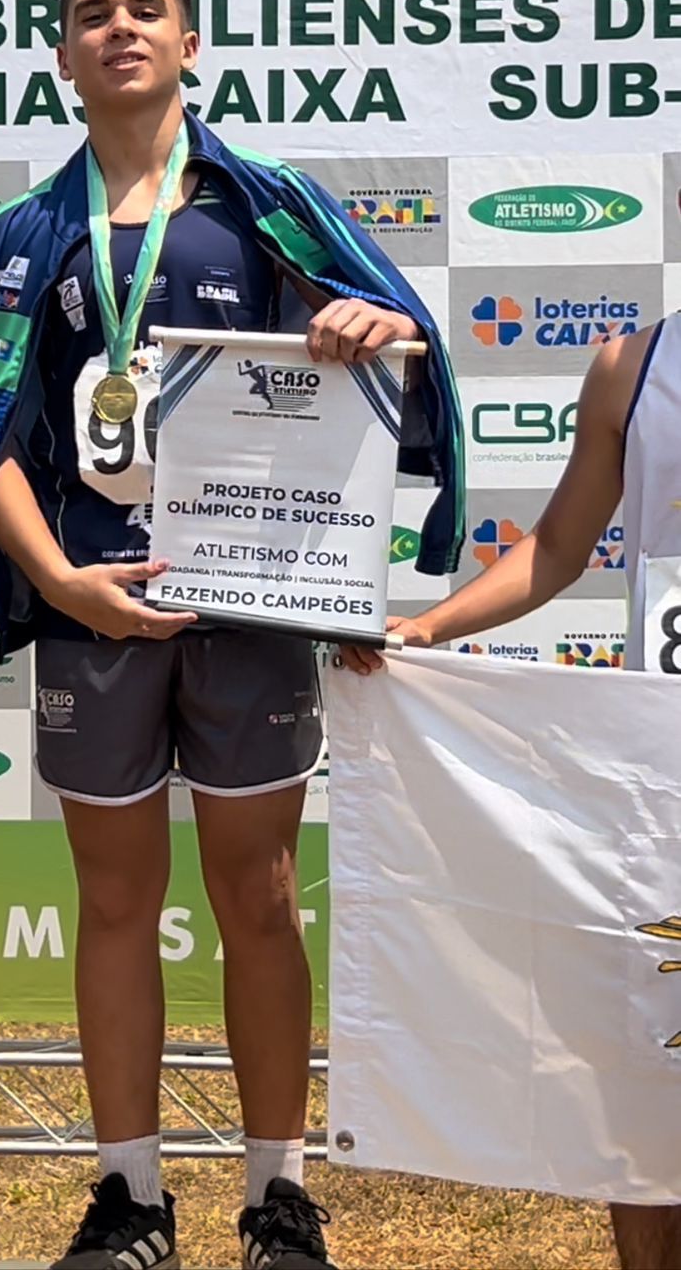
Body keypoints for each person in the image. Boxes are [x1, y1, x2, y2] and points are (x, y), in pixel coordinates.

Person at [0, 0, 463, 1269]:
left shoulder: (267, 205)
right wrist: (55, 583)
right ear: (60, 54)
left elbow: (388, 351)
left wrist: (373, 328)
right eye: (92, 14)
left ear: (190, 40)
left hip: (252, 609)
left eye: (143, 9)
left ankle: (277, 1198)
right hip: (88, 606)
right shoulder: (19, 241)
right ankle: (129, 1199)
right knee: (114, 903)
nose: (118, 29)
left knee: (260, 896)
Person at [338, 317, 681, 1270]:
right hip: (664, 773)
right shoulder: (630, 366)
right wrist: (430, 630)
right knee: (646, 1072)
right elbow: (562, 543)